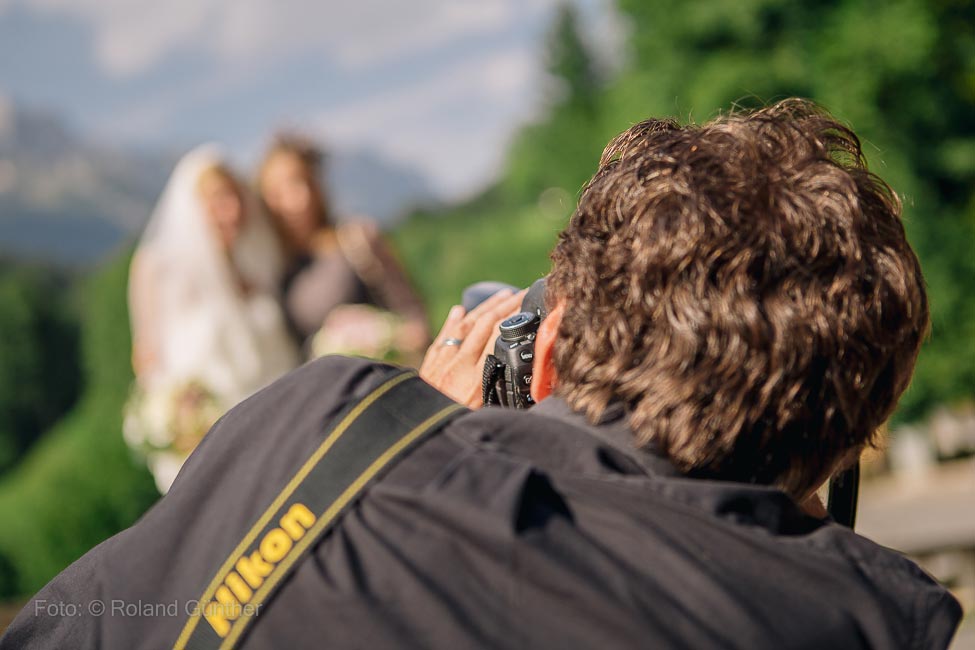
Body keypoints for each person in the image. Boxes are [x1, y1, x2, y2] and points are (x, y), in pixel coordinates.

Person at [1, 100, 961, 648]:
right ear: (846, 439)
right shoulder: (868, 618)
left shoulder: (319, 430)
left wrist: (394, 427)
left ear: (544, 344)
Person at [125, 146, 299, 492]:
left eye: (236, 198)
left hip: (287, 434)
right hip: (217, 454)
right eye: (218, 200)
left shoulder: (258, 262)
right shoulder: (156, 269)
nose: (231, 211)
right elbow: (147, 364)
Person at [257, 134, 430, 361]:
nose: (299, 196)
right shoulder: (275, 272)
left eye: (303, 181)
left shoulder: (358, 239)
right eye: (280, 190)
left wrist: (378, 336)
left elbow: (415, 320)